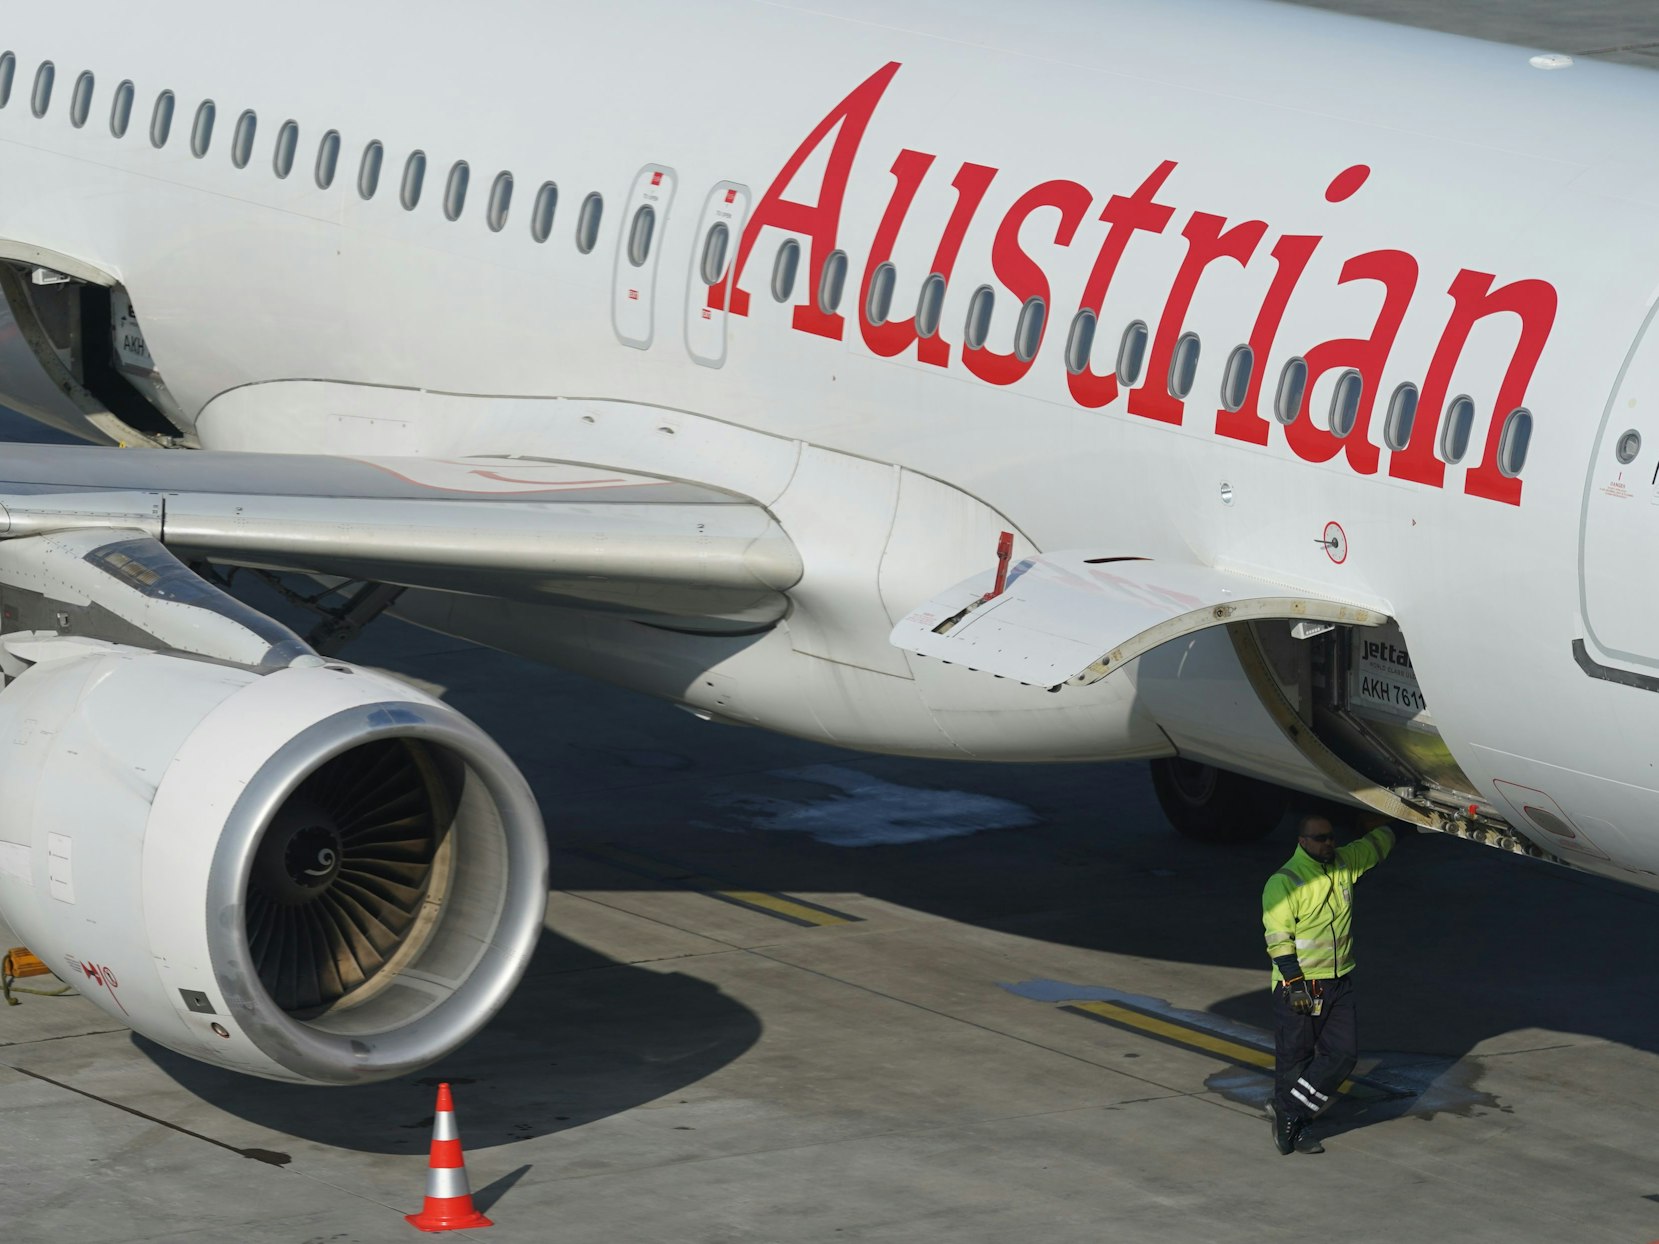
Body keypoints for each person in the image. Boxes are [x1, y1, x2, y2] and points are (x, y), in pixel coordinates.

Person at [1260, 811, 1396, 1155]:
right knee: (1295, 1059)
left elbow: (1375, 846)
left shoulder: (1343, 864)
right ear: (1302, 842)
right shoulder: (1285, 881)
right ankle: (1300, 1127)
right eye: (1320, 838)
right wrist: (1295, 983)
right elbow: (1278, 938)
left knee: (1343, 1055)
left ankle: (1289, 1110)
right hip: (1301, 985)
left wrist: (1400, 823)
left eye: (1331, 836)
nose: (1328, 843)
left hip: (1339, 981)